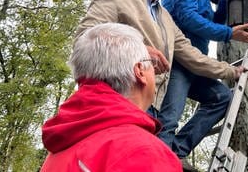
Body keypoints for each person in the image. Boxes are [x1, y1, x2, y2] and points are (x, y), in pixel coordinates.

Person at [74, 0, 246, 171]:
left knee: (154, 149)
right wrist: (138, 49)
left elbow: (189, 51)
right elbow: (85, 39)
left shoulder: (164, 17)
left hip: (152, 100)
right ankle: (169, 151)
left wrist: (229, 71)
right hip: (121, 99)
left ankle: (172, 151)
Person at [159, 0, 248, 162]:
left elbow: (211, 20)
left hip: (195, 64)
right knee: (170, 117)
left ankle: (174, 152)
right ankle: (158, 162)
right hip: (178, 59)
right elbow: (187, 18)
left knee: (221, 98)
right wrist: (228, 34)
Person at [40, 23, 181, 171]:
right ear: (139, 71)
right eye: (152, 63)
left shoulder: (57, 152)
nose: (155, 71)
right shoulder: (144, 152)